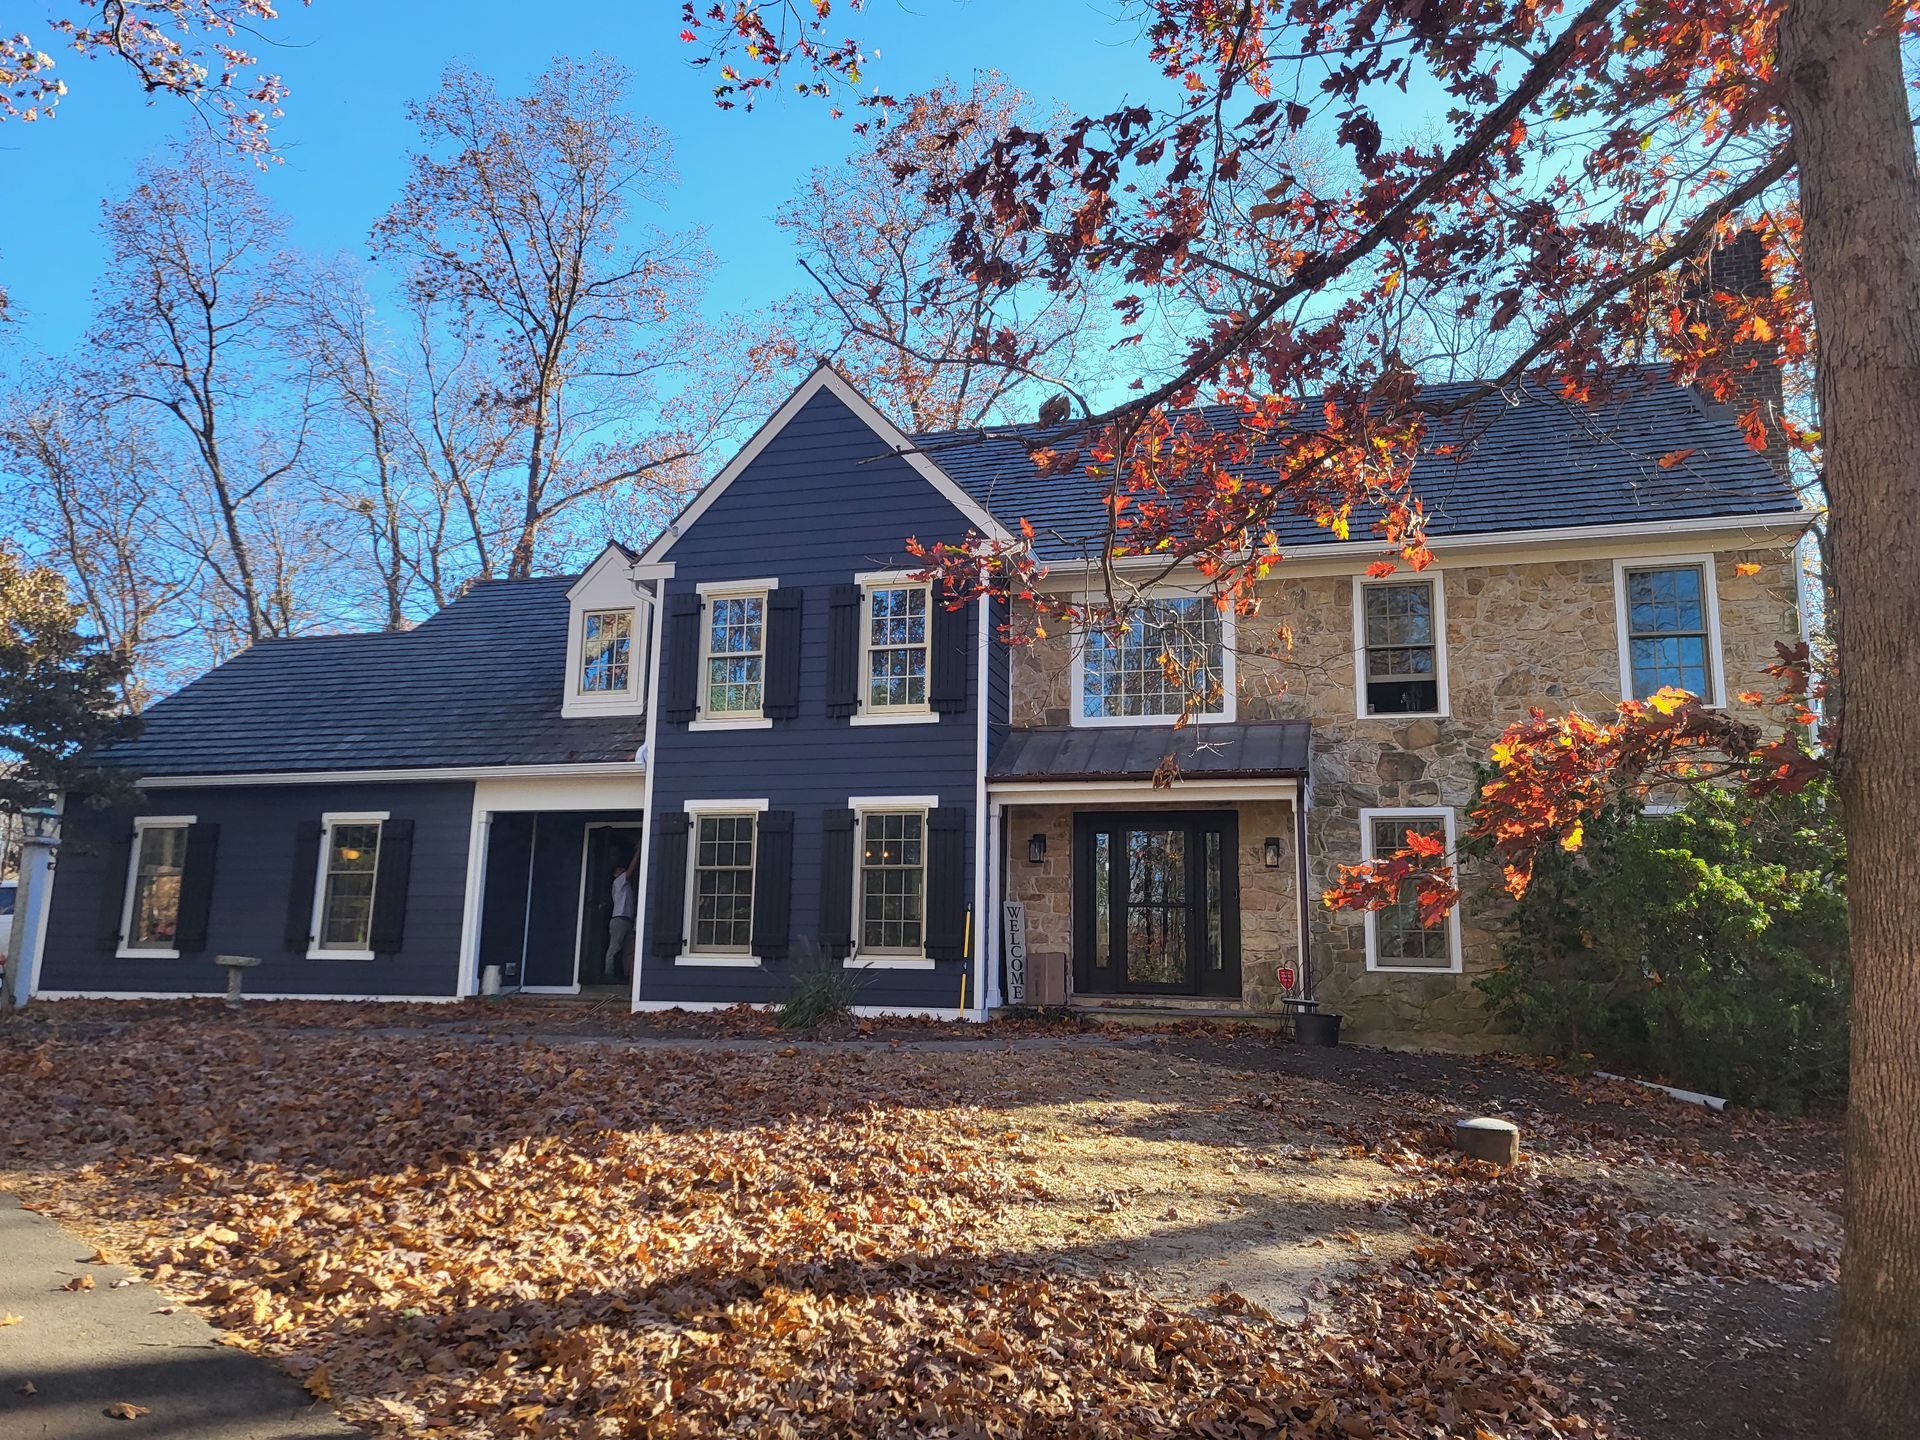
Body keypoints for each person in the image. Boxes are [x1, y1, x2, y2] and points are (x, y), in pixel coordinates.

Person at [605, 845, 641, 984]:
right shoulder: (618, 882)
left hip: (627, 920)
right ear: (615, 874)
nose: (623, 870)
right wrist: (639, 851)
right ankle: (608, 974)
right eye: (619, 870)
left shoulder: (626, 887)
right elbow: (631, 869)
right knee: (615, 947)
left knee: (627, 950)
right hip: (619, 919)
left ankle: (627, 974)